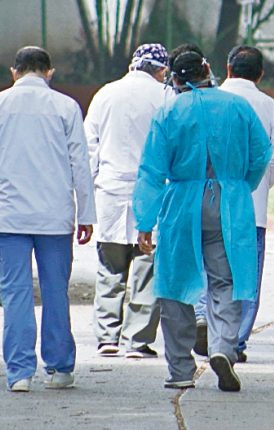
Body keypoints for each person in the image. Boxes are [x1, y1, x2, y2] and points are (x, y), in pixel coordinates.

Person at [133, 50, 271, 391]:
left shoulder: (169, 112)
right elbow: (262, 154)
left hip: (182, 203)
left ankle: (180, 368)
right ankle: (223, 346)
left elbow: (151, 170)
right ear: (208, 69)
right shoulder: (238, 106)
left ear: (175, 80)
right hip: (229, 203)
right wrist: (240, 186)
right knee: (226, 281)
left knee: (176, 285)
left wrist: (145, 220)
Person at [0, 46, 96, 392]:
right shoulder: (66, 107)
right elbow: (80, 165)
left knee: (16, 293)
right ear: (49, 72)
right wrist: (87, 214)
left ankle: (20, 371)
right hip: (55, 216)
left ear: (14, 72)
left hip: (10, 216)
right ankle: (60, 366)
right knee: (55, 291)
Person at [192, 45, 274, 362]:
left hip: (204, 198)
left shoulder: (206, 101)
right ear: (261, 74)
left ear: (227, 67)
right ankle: (233, 341)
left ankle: (204, 320)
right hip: (250, 207)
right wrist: (255, 185)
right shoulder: (270, 106)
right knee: (245, 273)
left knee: (208, 266)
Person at [84, 43, 170, 359]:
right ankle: (138, 339)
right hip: (154, 192)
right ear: (161, 70)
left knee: (110, 266)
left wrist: (86, 196)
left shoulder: (105, 94)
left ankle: (107, 336)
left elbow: (89, 148)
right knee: (147, 266)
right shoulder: (165, 97)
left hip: (109, 192)